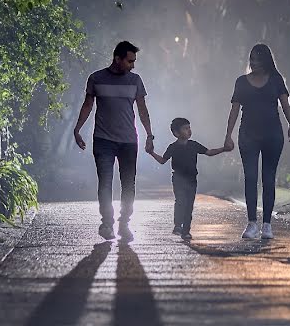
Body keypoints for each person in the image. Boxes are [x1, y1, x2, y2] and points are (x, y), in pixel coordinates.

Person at [73, 41, 154, 242]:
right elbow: (88, 105)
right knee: (105, 183)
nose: (132, 65)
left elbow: (142, 109)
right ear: (117, 59)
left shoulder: (135, 81)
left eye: (134, 61)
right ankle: (107, 223)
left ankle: (124, 224)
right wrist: (77, 129)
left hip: (128, 141)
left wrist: (149, 135)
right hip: (103, 140)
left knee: (128, 184)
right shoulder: (96, 78)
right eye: (129, 61)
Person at [223, 43, 290, 240]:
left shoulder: (276, 80)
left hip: (273, 135)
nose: (254, 64)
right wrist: (228, 135)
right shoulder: (241, 82)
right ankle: (251, 223)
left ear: (266, 62)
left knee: (269, 178)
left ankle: (267, 225)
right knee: (250, 177)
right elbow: (234, 110)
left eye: (258, 61)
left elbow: (284, 104)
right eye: (252, 61)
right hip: (248, 135)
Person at [148, 117, 228, 241]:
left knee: (189, 205)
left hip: (191, 179)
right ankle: (177, 225)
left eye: (189, 127)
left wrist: (223, 149)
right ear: (176, 133)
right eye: (185, 128)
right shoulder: (172, 147)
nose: (189, 130)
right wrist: (151, 153)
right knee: (180, 201)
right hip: (178, 179)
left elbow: (209, 152)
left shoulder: (194, 145)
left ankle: (186, 231)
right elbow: (163, 160)